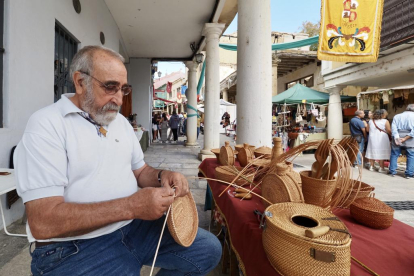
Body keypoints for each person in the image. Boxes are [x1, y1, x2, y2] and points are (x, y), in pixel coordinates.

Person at [14, 45, 221, 275]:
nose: (120, 99)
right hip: (74, 247)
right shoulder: (46, 125)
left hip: (133, 229)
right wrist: (132, 206)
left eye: (124, 89)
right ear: (80, 82)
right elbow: (43, 222)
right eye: (110, 87)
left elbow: (140, 171)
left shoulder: (119, 123)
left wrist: (162, 176)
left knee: (208, 249)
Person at [389, 104, 414, 179]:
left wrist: (397, 137)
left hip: (398, 136)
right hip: (410, 138)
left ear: (406, 108)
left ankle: (392, 171)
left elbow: (393, 128)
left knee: (394, 154)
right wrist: (405, 138)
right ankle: (409, 173)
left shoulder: (397, 116)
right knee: (411, 155)